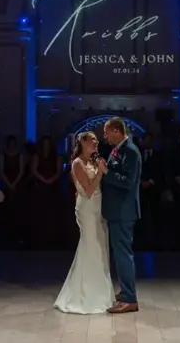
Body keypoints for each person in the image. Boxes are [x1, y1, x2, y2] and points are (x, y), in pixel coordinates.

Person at [53, 132, 114, 314]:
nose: (96, 143)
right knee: (91, 246)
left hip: (99, 207)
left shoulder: (95, 161)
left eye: (96, 140)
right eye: (92, 140)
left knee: (101, 246)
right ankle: (86, 293)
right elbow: (87, 190)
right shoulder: (77, 163)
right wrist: (100, 174)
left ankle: (101, 291)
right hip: (87, 208)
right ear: (83, 143)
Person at [101, 117, 142, 314]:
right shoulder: (119, 149)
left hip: (123, 211)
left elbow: (127, 181)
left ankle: (130, 298)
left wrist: (106, 172)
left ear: (117, 131)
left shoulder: (131, 152)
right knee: (119, 253)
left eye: (107, 132)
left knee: (123, 254)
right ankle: (125, 292)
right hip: (116, 210)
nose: (105, 136)